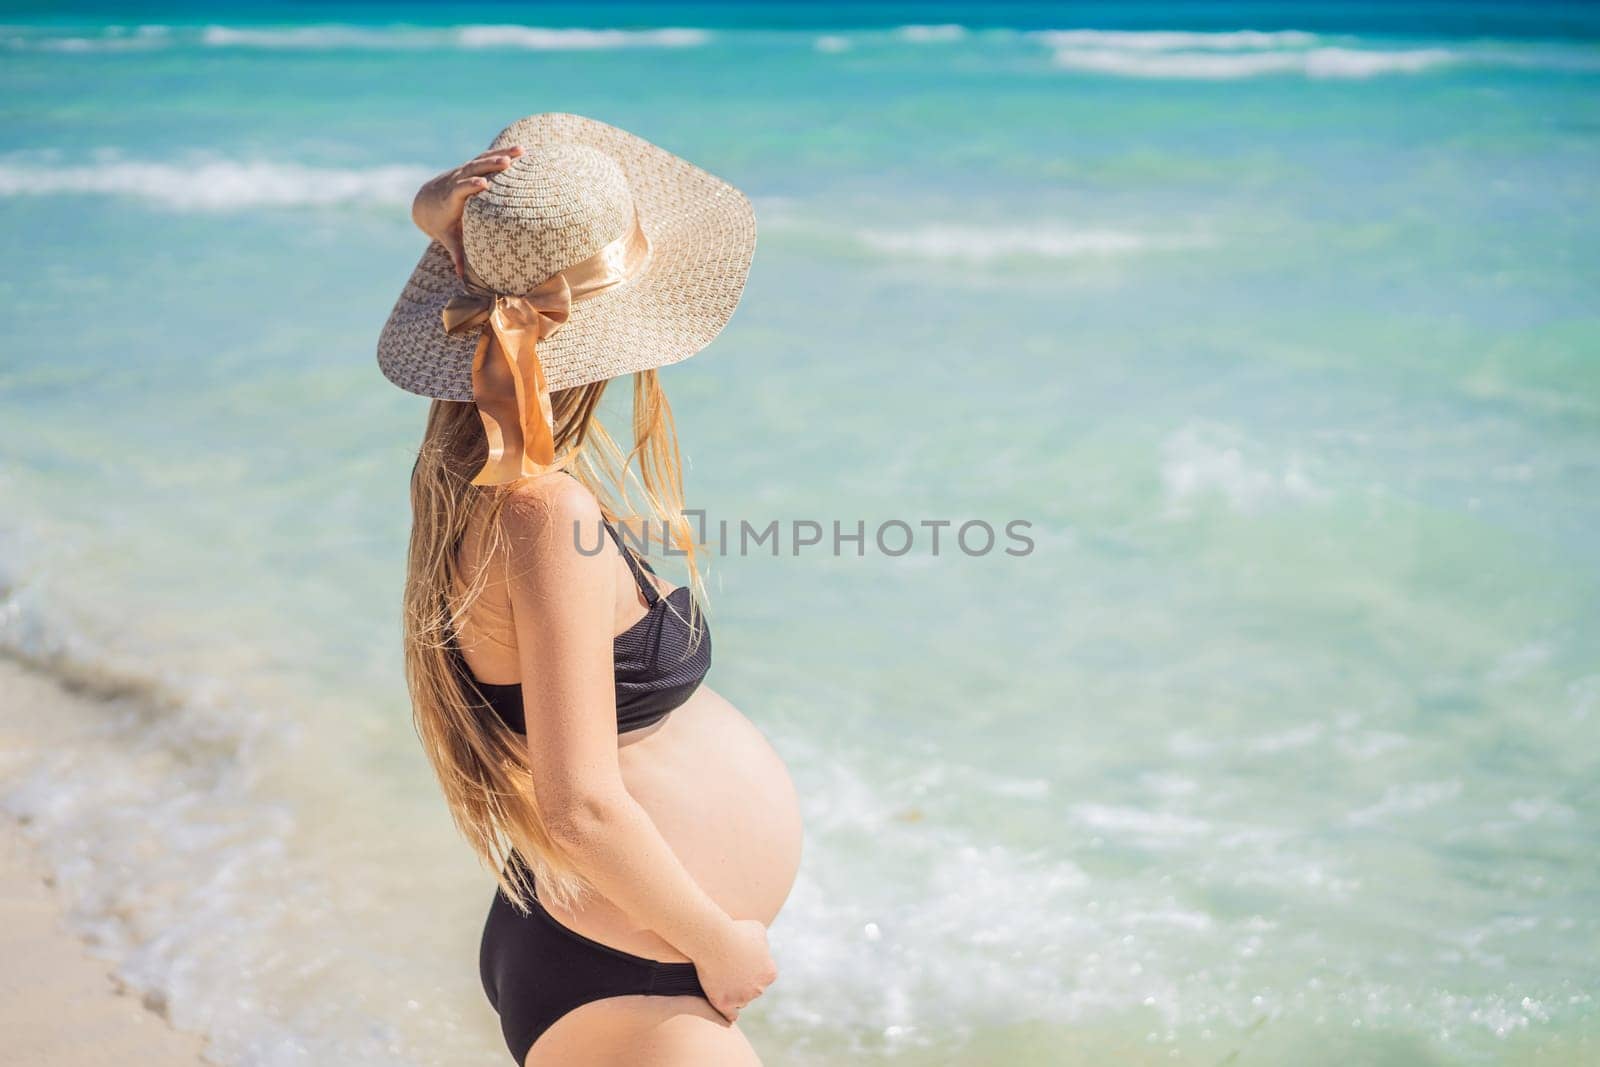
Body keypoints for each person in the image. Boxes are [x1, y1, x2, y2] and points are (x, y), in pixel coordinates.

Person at [376, 113, 804, 1066]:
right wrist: (715, 940)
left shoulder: (481, 490)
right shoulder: (540, 507)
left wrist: (442, 207)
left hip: (612, 950)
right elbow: (580, 805)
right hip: (633, 968)